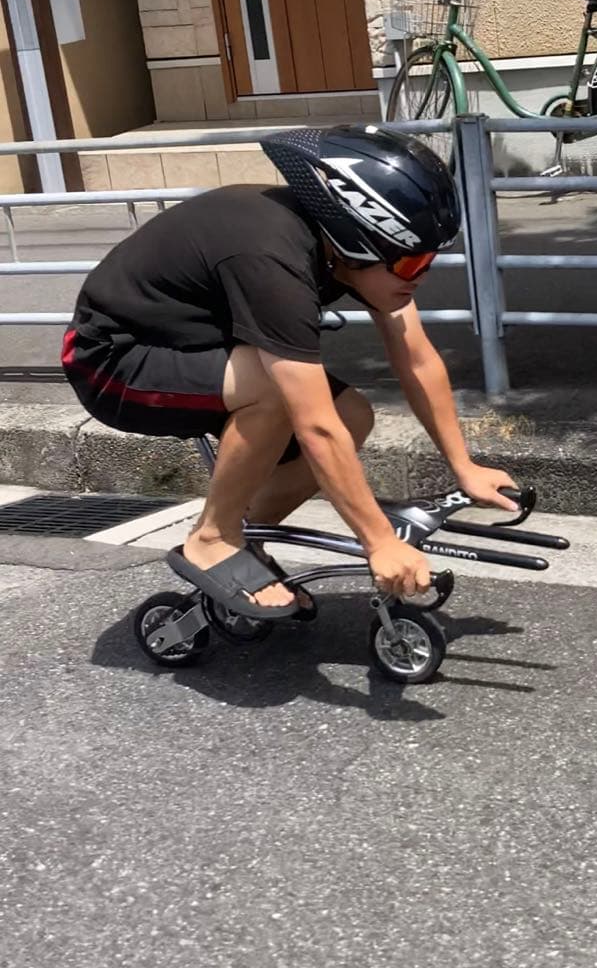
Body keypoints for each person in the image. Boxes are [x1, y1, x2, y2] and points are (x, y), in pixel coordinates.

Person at [62, 124, 517, 620]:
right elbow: (314, 425)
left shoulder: (344, 247)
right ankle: (213, 538)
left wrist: (464, 467)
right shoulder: (272, 260)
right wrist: (380, 541)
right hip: (112, 362)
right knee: (282, 394)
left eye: (430, 259)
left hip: (191, 343)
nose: (421, 275)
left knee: (354, 415)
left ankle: (244, 537)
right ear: (357, 241)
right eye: (411, 263)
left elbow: (417, 357)